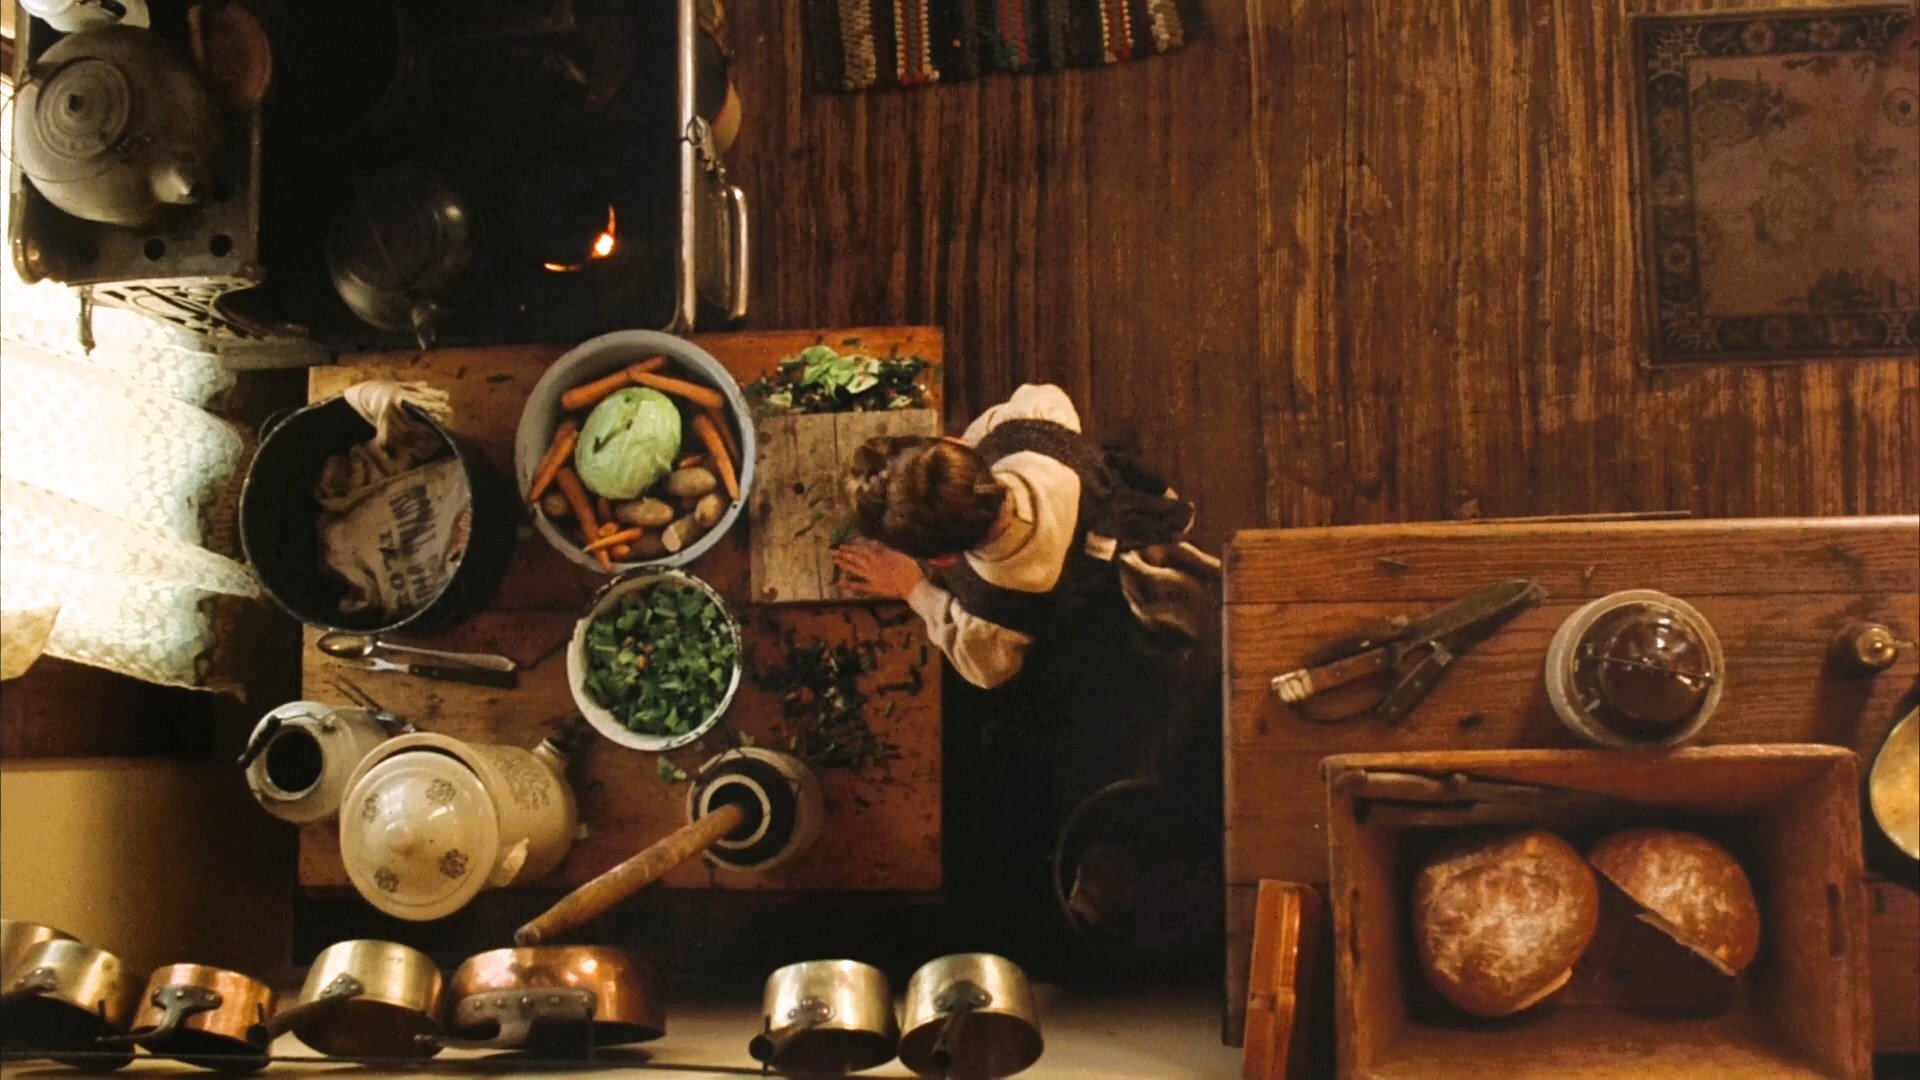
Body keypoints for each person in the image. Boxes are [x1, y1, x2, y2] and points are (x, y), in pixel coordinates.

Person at [833, 384, 1215, 689]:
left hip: (1112, 624)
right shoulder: (1025, 428)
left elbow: (987, 671)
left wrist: (914, 589)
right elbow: (1047, 396)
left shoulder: (992, 612)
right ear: (958, 445)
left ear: (942, 560)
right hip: (1137, 520)